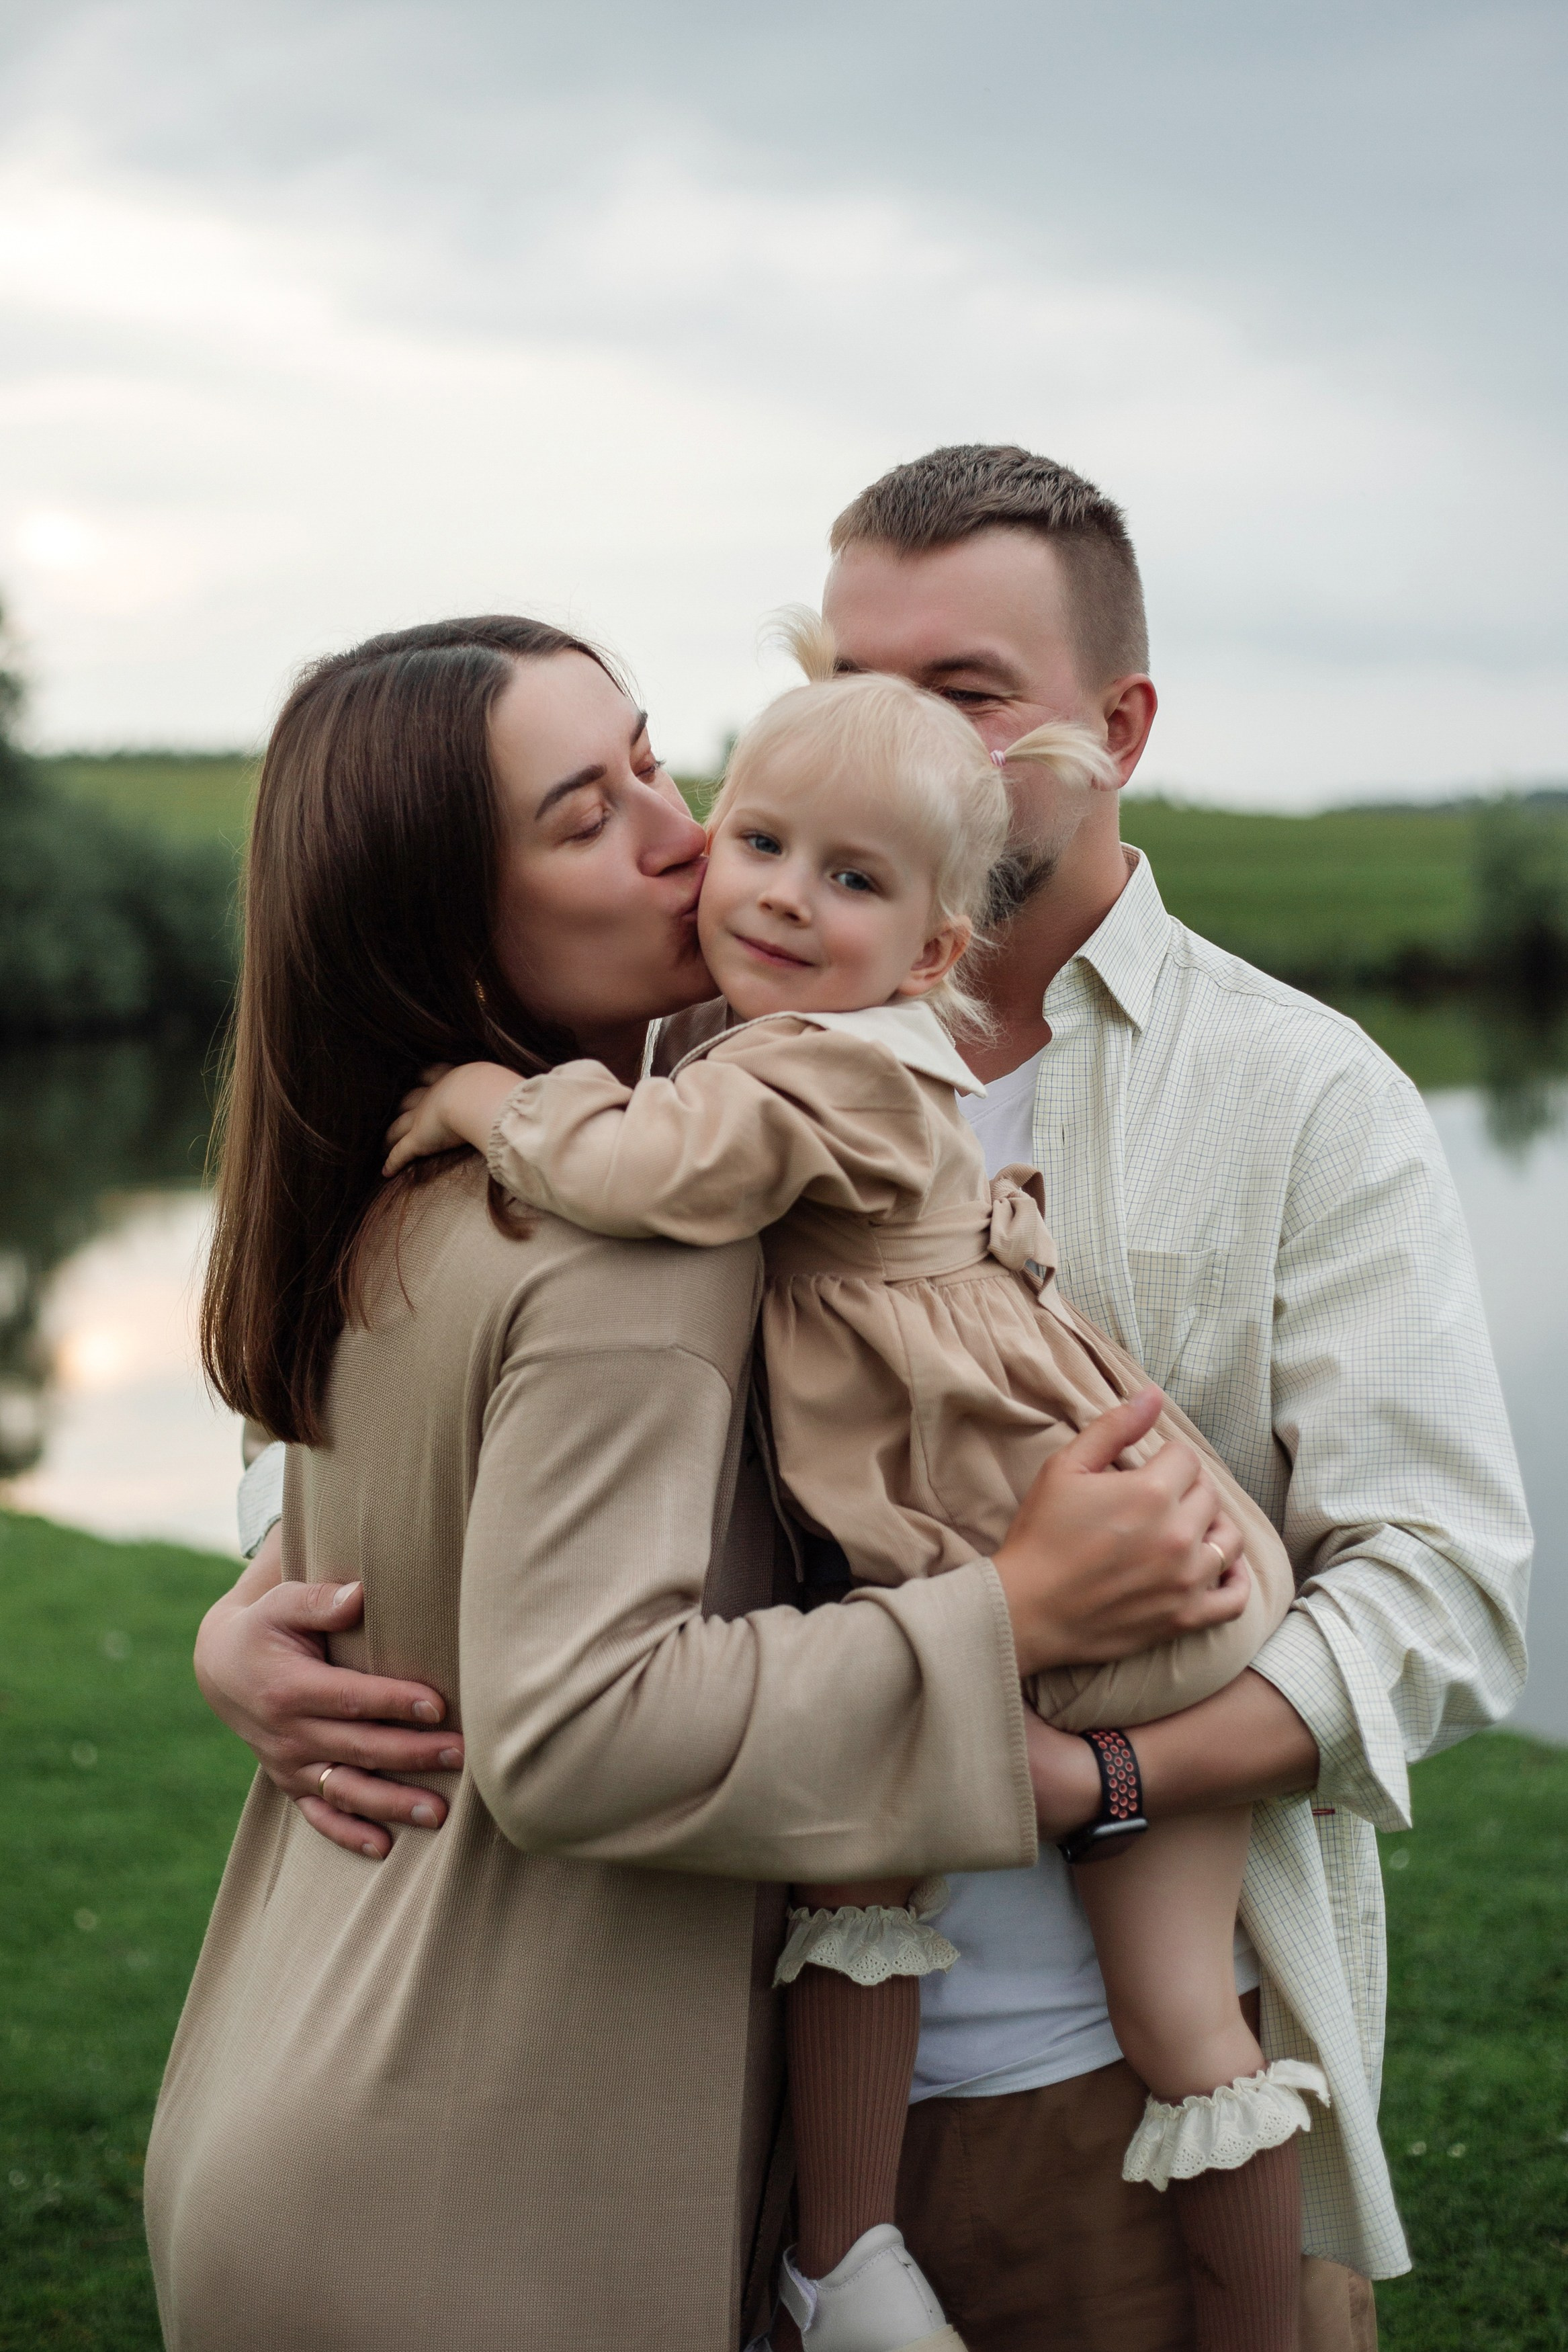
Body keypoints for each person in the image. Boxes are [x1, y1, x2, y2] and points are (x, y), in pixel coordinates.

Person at [210, 448, 1532, 2351]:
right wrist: (260, 1606)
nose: (888, 728)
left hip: (1097, 2087)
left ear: (1119, 727)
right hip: (720, 2081)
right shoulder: (693, 1033)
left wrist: (1106, 1776)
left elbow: (1447, 1597)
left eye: (965, 690)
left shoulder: (1301, 1094)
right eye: (849, 671)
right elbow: (423, 1407)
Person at [148, 613, 1248, 2352]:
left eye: (657, 761)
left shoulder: (391, 1192)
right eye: (589, 817)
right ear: (445, 918)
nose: (689, 833)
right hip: (478, 2207)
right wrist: (1015, 1611)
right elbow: (581, 1730)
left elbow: (409, 1530)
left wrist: (246, 1615)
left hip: (292, 2091)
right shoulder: (623, 1242)